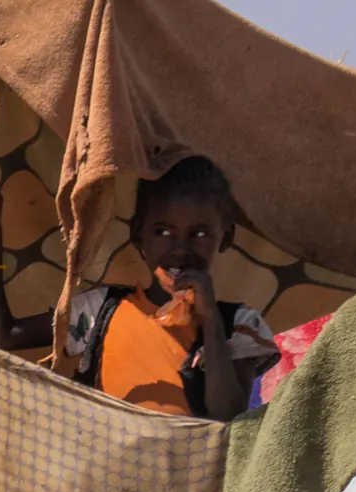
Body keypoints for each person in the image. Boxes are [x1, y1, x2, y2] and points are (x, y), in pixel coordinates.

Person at [60, 155, 278, 420]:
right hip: (109, 460)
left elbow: (227, 414)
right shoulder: (100, 311)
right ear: (138, 233)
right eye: (163, 232)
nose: (179, 250)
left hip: (193, 462)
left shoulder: (238, 325)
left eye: (198, 234)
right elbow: (0, 336)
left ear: (226, 237)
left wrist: (211, 320)